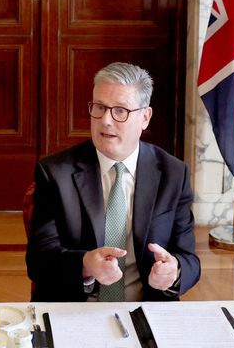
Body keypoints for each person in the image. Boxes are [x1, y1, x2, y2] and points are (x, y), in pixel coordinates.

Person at [26, 62, 200, 302]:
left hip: (145, 310)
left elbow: (189, 259)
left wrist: (174, 272)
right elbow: (38, 261)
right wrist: (85, 264)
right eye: (99, 107)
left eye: (120, 110)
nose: (105, 120)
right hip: (75, 308)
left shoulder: (173, 173)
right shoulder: (56, 173)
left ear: (145, 118)